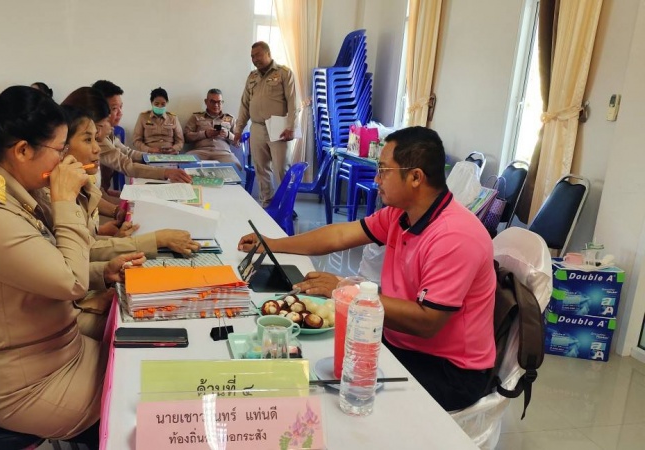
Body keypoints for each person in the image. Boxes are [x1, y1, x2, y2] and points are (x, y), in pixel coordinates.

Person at [0, 86, 143, 445]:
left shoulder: (12, 189)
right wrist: (64, 200)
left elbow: (48, 264)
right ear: (23, 150)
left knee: (143, 358)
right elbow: (70, 282)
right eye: (59, 150)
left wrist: (102, 273)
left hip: (58, 351)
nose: (64, 160)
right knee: (142, 399)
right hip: (27, 385)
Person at [237, 127, 496, 411]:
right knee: (313, 354)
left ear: (415, 177)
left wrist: (346, 292)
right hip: (399, 340)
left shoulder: (455, 236)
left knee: (332, 397)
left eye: (384, 170)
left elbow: (427, 322)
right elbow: (339, 236)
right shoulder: (402, 213)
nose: (376, 179)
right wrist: (272, 244)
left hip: (448, 370)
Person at [57, 106, 200, 264]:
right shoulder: (58, 195)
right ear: (62, 147)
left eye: (96, 139)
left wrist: (114, 238)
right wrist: (157, 239)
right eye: (88, 140)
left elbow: (88, 242)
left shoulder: (81, 181)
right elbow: (83, 254)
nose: (97, 149)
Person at [76, 83, 190, 185]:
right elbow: (127, 164)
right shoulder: (97, 138)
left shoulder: (109, 131)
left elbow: (127, 152)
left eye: (121, 107)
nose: (120, 113)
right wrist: (165, 172)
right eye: (114, 108)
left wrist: (155, 157)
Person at [232, 41, 297, 206]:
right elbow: (244, 104)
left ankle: (285, 206)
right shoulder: (252, 77)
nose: (255, 59)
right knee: (261, 169)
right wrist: (238, 129)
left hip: (279, 127)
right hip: (257, 127)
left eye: (258, 55)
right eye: (252, 57)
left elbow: (293, 103)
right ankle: (267, 203)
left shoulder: (284, 73)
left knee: (282, 169)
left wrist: (291, 128)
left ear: (268, 54)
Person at [183, 89, 242, 169]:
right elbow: (186, 137)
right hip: (200, 152)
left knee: (236, 166)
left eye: (219, 102)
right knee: (184, 163)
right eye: (212, 102)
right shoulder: (196, 117)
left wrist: (228, 134)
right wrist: (205, 134)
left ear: (222, 102)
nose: (216, 105)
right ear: (206, 102)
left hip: (223, 153)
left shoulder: (230, 119)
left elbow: (238, 143)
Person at [132, 87, 184, 155]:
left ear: (167, 103)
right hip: (149, 154)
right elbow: (136, 141)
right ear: (151, 103)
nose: (160, 106)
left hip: (170, 154)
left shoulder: (173, 118)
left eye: (163, 104)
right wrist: (149, 150)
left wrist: (173, 148)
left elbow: (180, 141)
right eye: (156, 104)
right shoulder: (143, 117)